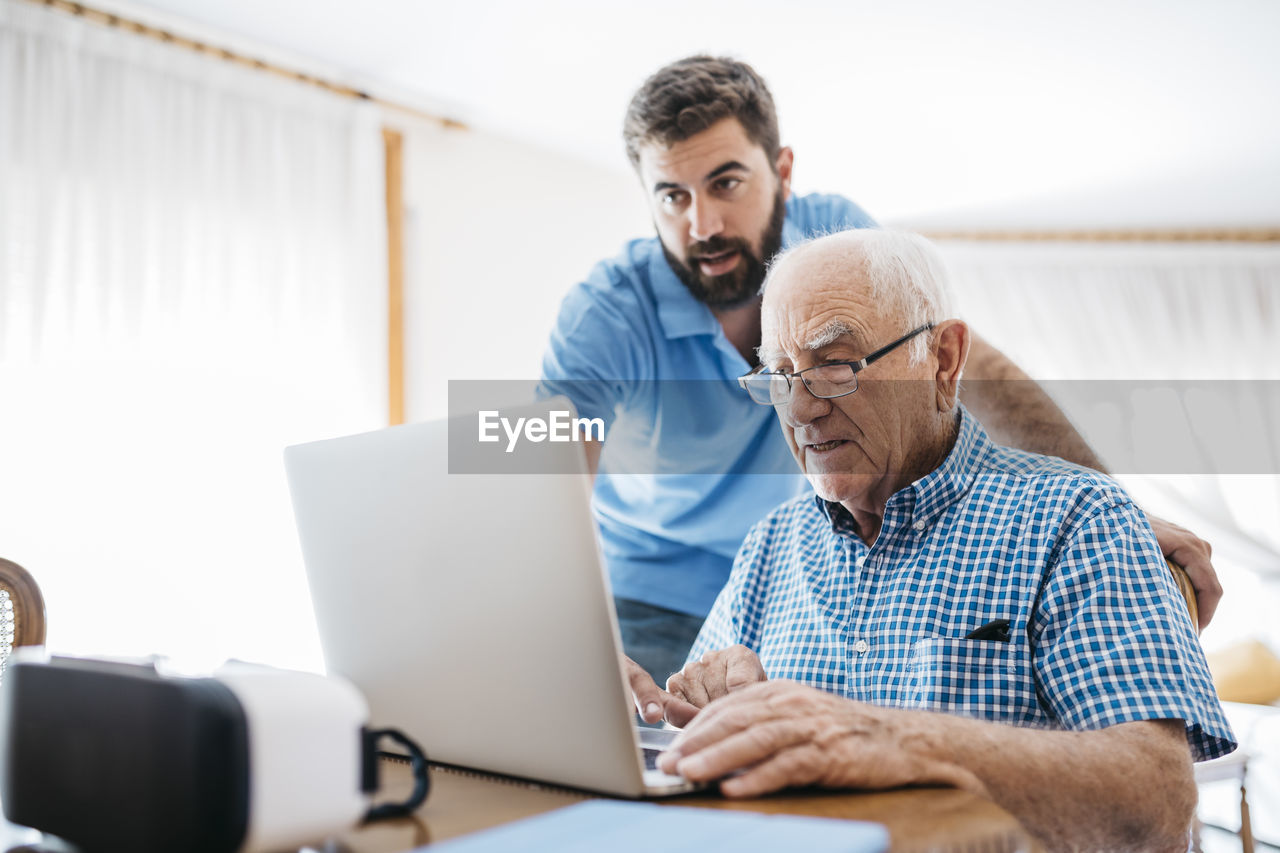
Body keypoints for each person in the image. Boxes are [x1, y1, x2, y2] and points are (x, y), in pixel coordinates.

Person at [539, 55, 1221, 684]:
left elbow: (968, 372)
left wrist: (1116, 516)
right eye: (672, 197)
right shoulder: (606, 313)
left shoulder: (836, 243)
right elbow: (540, 467)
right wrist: (576, 641)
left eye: (726, 182)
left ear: (781, 170)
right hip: (652, 590)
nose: (704, 223)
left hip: (804, 576)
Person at [624, 229, 1234, 852]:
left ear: (943, 358)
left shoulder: (1079, 519)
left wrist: (898, 741)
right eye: (779, 377)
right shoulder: (769, 545)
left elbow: (1157, 802)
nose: (800, 410)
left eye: (834, 364)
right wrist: (689, 712)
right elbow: (699, 742)